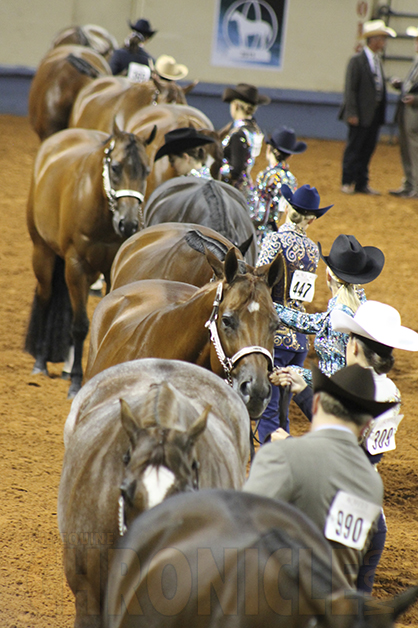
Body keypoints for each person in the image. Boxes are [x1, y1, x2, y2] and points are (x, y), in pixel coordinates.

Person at [272, 300, 418, 593]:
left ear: (353, 347)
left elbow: (337, 449)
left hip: (334, 518)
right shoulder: (390, 391)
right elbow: (350, 437)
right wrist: (304, 392)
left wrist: (288, 444)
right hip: (372, 519)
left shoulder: (353, 391)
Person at [244, 363, 398, 590]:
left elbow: (242, 527)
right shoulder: (371, 484)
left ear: (316, 403)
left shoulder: (282, 456)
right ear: (366, 425)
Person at [255, 184, 333, 443]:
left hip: (273, 337)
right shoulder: (313, 250)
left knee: (267, 416)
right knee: (281, 414)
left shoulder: (274, 240)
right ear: (311, 219)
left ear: (287, 207)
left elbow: (259, 282)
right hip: (298, 340)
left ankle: (267, 473)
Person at [272, 234, 385, 393]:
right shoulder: (361, 306)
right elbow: (309, 322)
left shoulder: (339, 315)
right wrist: (271, 307)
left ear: (328, 275)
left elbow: (333, 379)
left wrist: (295, 373)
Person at [339, 19, 396, 195]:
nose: (384, 43)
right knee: (355, 148)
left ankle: (361, 182)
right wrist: (352, 113)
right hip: (360, 114)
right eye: (382, 39)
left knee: (367, 149)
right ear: (374, 40)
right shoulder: (356, 61)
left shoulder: (377, 61)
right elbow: (351, 89)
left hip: (373, 115)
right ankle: (347, 180)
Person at [252, 126, 307, 240]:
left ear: (269, 149)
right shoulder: (291, 179)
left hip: (260, 236)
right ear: (290, 155)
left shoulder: (266, 176)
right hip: (278, 234)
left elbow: (260, 216)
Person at [219, 83, 270, 205]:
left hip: (233, 192)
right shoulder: (255, 130)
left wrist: (214, 170)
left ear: (236, 106)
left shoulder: (238, 134)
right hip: (246, 188)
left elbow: (236, 169)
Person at [389, 26, 418, 198]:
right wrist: (402, 86)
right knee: (407, 149)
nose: (416, 43)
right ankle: (409, 183)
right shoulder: (415, 62)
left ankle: (415, 185)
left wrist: (416, 99)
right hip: (408, 112)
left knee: (414, 150)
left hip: (415, 113)